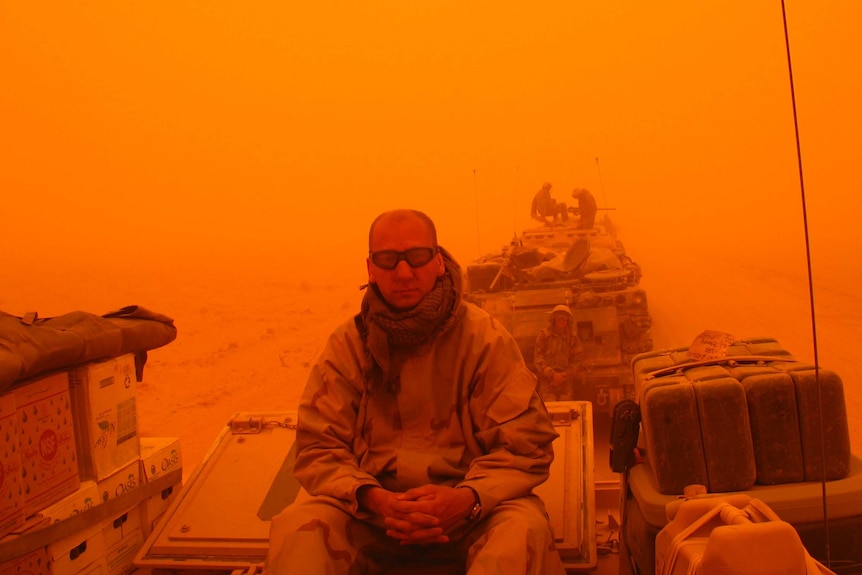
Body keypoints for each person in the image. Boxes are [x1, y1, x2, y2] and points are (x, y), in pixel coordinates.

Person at [265, 209, 567, 574]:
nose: (404, 272)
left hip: (474, 513)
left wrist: (467, 498)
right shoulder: (348, 345)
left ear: (439, 261)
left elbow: (526, 445)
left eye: (418, 257)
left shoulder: (484, 339)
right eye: (388, 260)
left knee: (521, 533)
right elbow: (318, 448)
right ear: (371, 268)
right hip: (371, 515)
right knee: (299, 529)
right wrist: (374, 498)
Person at [533, 304, 585, 402]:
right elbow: (538, 358)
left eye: (564, 319)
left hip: (565, 380)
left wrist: (564, 375)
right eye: (559, 319)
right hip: (547, 381)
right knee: (549, 409)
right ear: (554, 320)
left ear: (568, 321)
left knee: (567, 409)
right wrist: (552, 375)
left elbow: (578, 360)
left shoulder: (572, 338)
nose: (561, 322)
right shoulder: (544, 336)